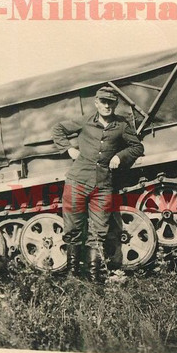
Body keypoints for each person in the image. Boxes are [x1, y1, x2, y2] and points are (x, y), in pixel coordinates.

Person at [52, 85, 144, 281]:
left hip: (103, 187)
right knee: (73, 229)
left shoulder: (122, 125)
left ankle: (94, 280)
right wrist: (68, 149)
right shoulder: (85, 121)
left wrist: (121, 156)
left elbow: (137, 147)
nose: (107, 106)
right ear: (96, 103)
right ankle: (73, 277)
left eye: (111, 102)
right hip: (77, 182)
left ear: (115, 104)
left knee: (98, 232)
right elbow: (58, 129)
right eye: (103, 101)